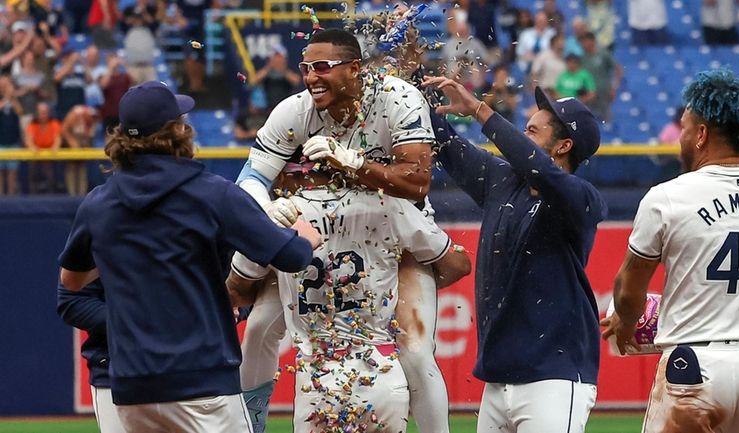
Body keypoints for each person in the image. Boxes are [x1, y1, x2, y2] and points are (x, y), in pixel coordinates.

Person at [57, 80, 319, 433]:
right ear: (177, 131)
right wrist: (304, 237)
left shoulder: (99, 204)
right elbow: (290, 257)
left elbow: (71, 283)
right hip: (203, 384)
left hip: (134, 388)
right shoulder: (211, 194)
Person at [235, 28, 452, 433]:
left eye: (322, 67)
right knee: (260, 328)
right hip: (322, 229)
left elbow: (417, 181)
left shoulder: (398, 97)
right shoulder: (296, 109)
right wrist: (267, 206)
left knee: (416, 351)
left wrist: (353, 164)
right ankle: (251, 428)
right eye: (305, 68)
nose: (311, 77)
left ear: (355, 68)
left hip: (392, 233)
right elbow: (250, 177)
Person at [421, 75, 607, 433]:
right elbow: (442, 142)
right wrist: (412, 74)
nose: (524, 137)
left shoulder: (581, 199)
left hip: (553, 376)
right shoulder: (502, 180)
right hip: (498, 378)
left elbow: (539, 168)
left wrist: (479, 110)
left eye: (534, 132)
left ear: (564, 146)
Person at [602, 69, 739, 433]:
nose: (681, 135)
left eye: (685, 127)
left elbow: (628, 291)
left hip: (696, 367)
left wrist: (627, 323)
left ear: (702, 134)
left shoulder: (668, 197)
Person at [229, 183, 471, 433]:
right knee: (418, 355)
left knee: (258, 329)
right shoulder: (388, 205)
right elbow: (459, 264)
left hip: (316, 381)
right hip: (381, 371)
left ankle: (249, 425)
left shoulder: (278, 218)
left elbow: (237, 287)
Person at [57, 279, 128, 433]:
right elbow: (73, 299)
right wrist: (134, 323)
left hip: (185, 372)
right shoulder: (104, 253)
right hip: (118, 371)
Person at [0, 76, 23, 195]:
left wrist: (12, 98)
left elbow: (20, 112)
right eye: (2, 84)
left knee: (12, 174)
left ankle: (10, 199)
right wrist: (6, 98)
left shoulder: (14, 99)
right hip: (0, 142)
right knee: (0, 174)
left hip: (13, 140)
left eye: (6, 84)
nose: (4, 86)